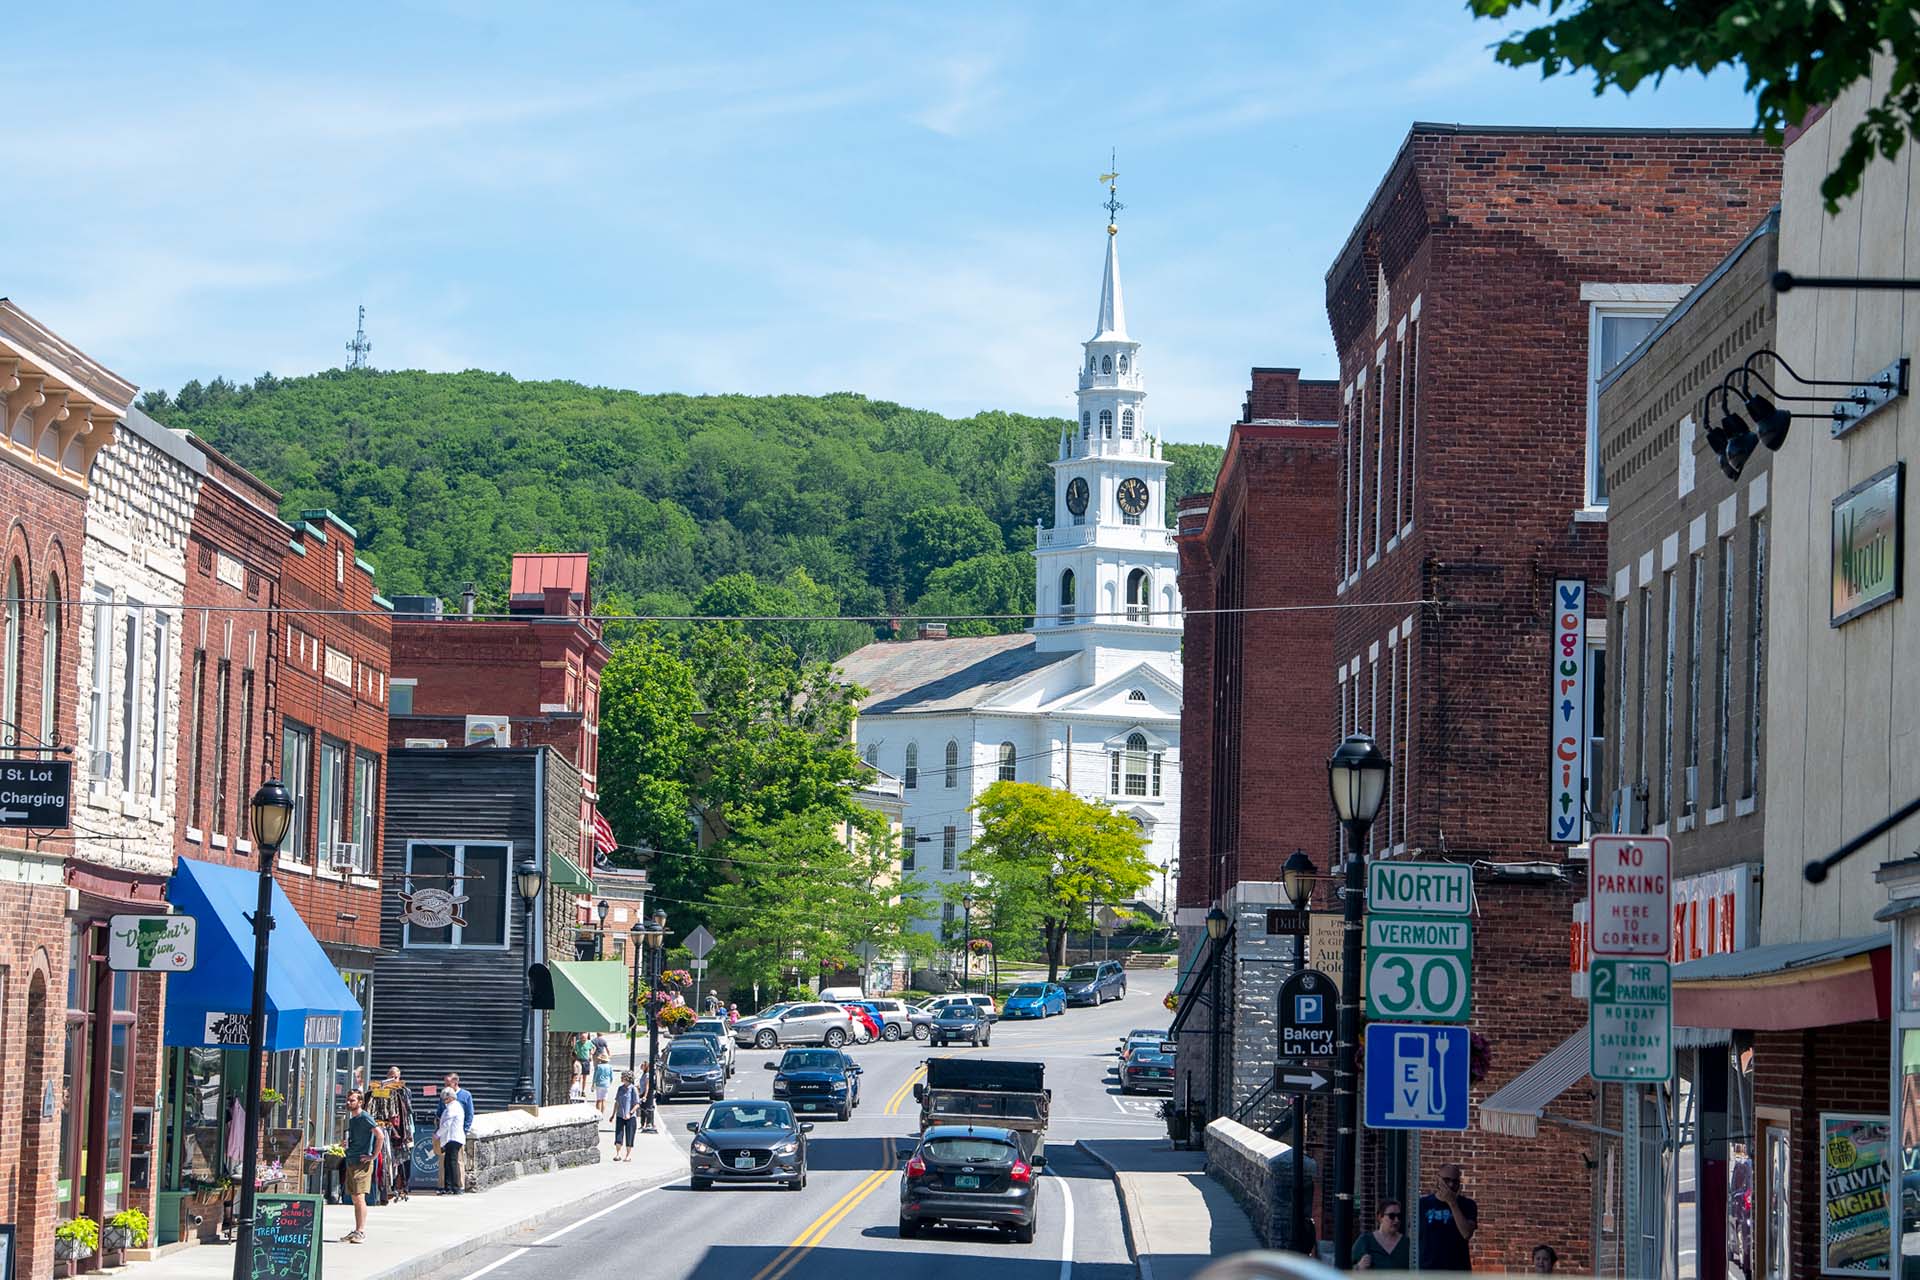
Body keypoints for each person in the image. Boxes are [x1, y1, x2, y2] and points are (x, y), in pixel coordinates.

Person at [1418, 1163, 1479, 1273]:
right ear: (1437, 1180)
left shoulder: (1468, 1205)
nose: (1451, 1185)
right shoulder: (1422, 1204)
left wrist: (1452, 1203)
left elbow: (1466, 1233)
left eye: (1455, 1181)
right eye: (1447, 1180)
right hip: (1428, 1270)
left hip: (1457, 1271)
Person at [342, 1088, 375, 1242]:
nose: (349, 1103)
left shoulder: (364, 1117)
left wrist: (373, 1155)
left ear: (360, 1102)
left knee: (359, 1196)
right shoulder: (352, 1119)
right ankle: (357, 1229)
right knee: (355, 1197)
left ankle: (361, 1231)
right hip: (352, 1159)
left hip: (361, 1162)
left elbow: (380, 1135)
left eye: (352, 1100)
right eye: (348, 1100)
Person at [1352, 1201, 1409, 1271]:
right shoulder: (1365, 1241)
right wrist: (1358, 1267)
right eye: (1392, 1216)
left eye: (1399, 1216)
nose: (1396, 1220)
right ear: (1380, 1217)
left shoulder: (1407, 1243)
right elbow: (1344, 1271)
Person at [442, 1074, 475, 1190]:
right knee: (448, 1161)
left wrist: (464, 1130)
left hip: (457, 1134)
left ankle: (458, 1186)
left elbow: (469, 1115)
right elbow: (440, 1111)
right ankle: (448, 1186)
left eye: (448, 1083)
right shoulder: (446, 1094)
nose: (445, 1086)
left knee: (457, 1161)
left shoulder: (465, 1095)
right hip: (447, 1135)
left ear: (455, 1083)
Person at [434, 1086, 467, 1194]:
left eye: (445, 1099)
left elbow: (446, 1124)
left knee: (452, 1163)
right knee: (448, 1163)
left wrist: (437, 1134)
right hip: (451, 1138)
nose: (444, 1101)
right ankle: (448, 1187)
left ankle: (455, 1187)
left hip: (453, 1138)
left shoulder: (452, 1108)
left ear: (451, 1098)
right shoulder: (453, 1106)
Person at [612, 1071, 642, 1161]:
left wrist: (630, 1113)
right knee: (618, 1135)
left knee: (629, 1135)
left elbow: (637, 1104)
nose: (621, 1078)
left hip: (630, 1117)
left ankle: (628, 1155)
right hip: (620, 1115)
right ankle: (618, 1154)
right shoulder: (620, 1089)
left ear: (627, 1078)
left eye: (623, 1076)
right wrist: (613, 1114)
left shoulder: (633, 1089)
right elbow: (617, 1102)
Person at [593, 1046, 615, 1120]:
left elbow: (595, 1076)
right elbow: (611, 1076)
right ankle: (602, 1113)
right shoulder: (609, 1067)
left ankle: (598, 1113)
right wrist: (610, 1082)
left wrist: (593, 1083)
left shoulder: (598, 1066)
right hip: (606, 1084)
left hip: (599, 1084)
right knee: (604, 1100)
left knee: (598, 1100)